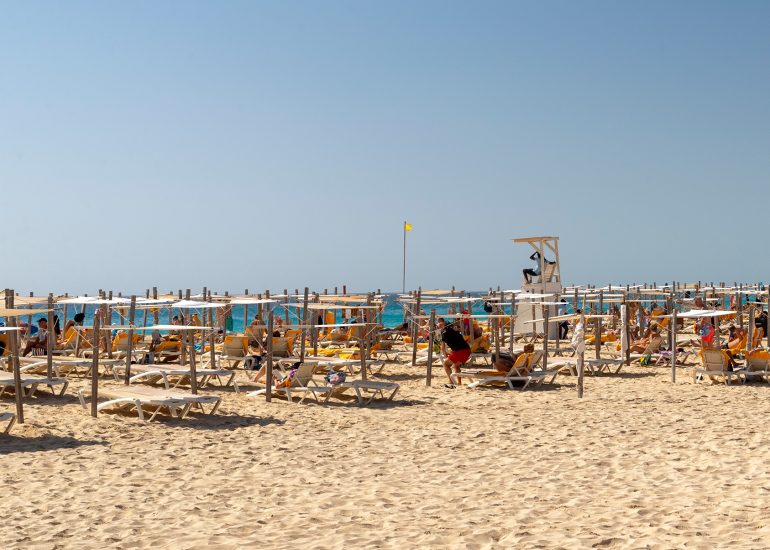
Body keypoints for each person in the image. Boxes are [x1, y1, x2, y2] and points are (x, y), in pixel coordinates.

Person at [438, 317, 471, 388]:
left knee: (446, 364)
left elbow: (443, 348)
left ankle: (451, 381)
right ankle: (459, 382)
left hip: (460, 351)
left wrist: (446, 356)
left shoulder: (444, 334)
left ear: (444, 327)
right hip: (467, 350)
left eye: (441, 325)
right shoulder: (456, 332)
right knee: (456, 365)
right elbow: (458, 343)